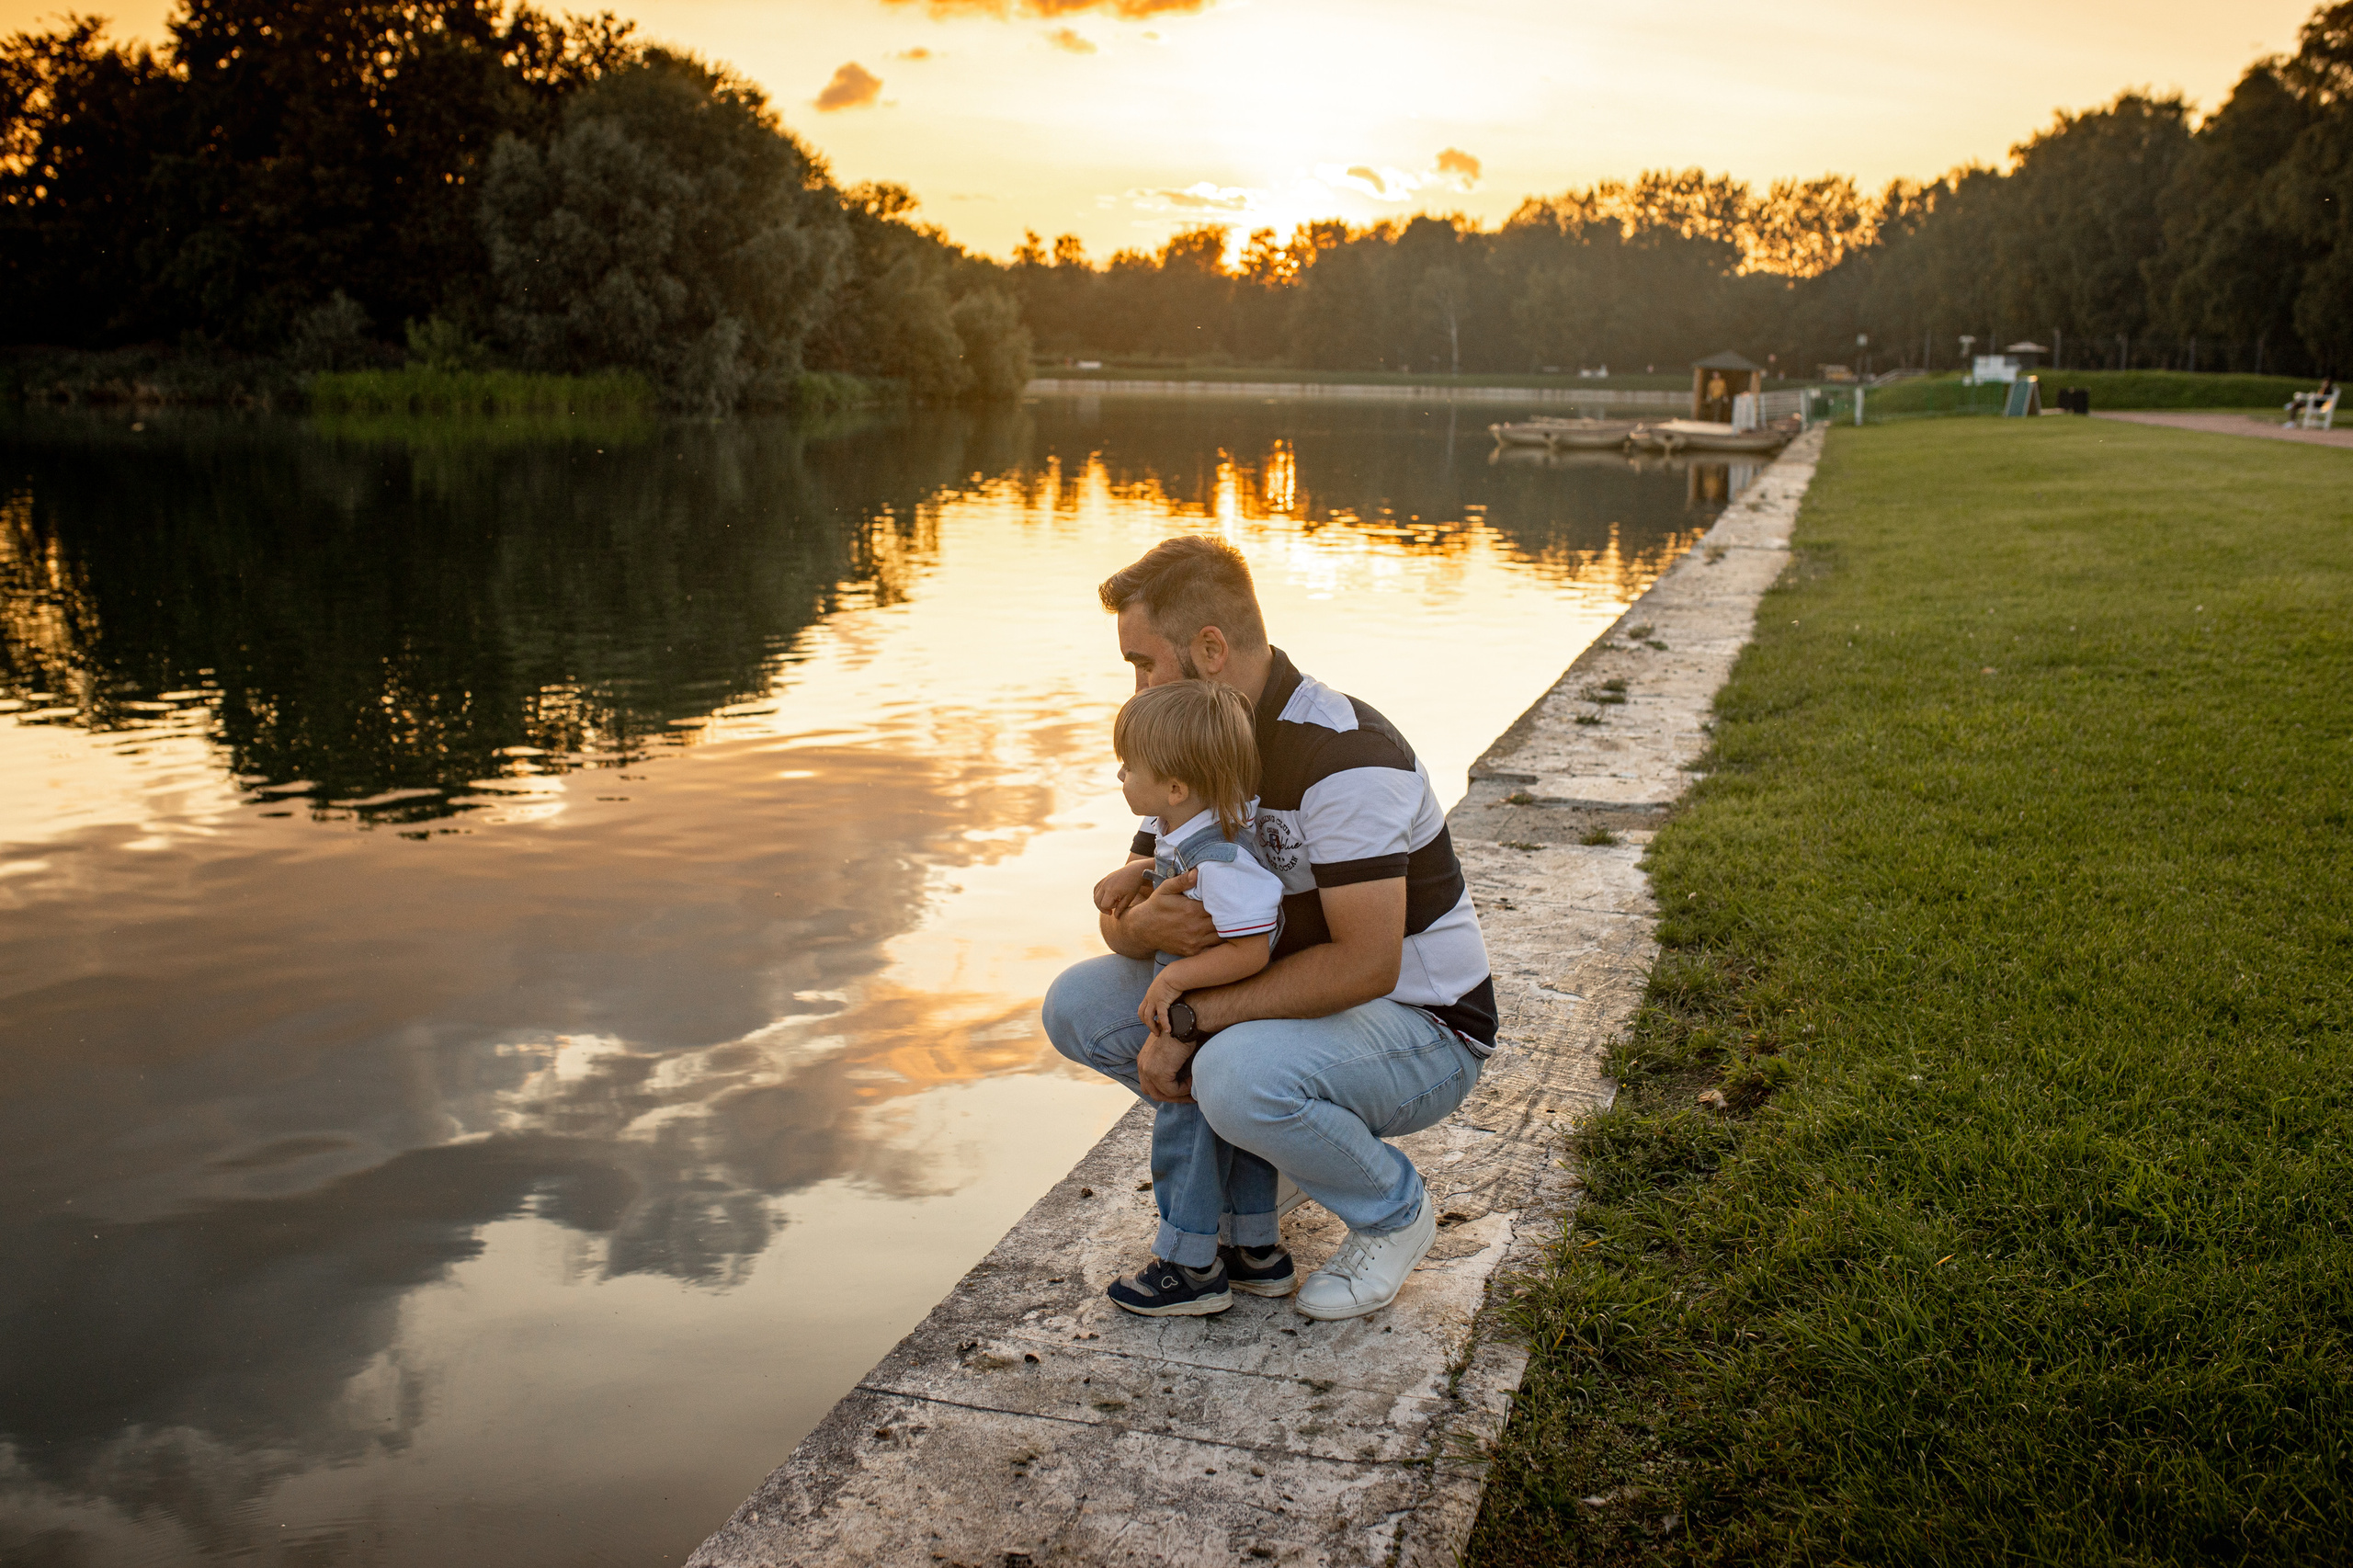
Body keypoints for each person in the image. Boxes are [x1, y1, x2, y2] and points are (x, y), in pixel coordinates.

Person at [1044, 535, 1496, 1322]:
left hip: (1421, 1025)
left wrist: (1189, 1019)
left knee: (1233, 1072)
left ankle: (1393, 1211)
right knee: (1077, 1004)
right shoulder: (1187, 745)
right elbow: (1127, 924)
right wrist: (1144, 923)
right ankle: (1262, 1170)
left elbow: (1366, 967)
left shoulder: (1347, 754)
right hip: (1284, 1000)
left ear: (1210, 649)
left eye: (1143, 664)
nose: (1137, 687)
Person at [1093, 680, 1284, 1043]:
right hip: (1186, 992)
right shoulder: (1179, 826)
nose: (1120, 774)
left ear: (1175, 790)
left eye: (1129, 767)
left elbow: (1252, 953)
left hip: (1222, 1015)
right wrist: (1138, 871)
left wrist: (1172, 980)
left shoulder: (1223, 864)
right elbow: (1182, 870)